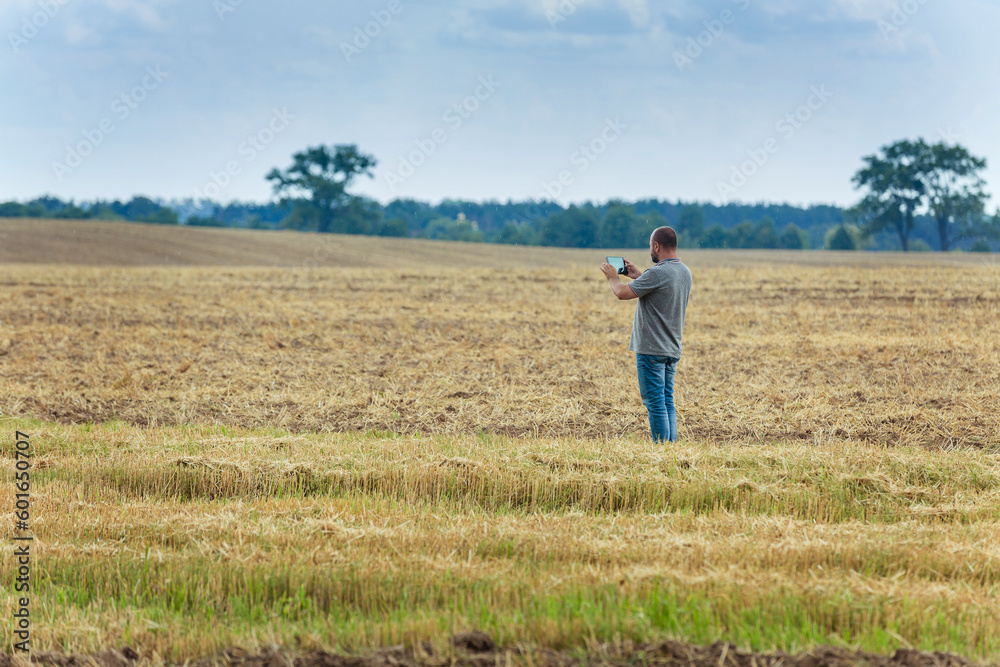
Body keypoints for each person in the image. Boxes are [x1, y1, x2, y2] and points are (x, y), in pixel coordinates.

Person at [600, 226, 692, 443]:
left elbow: (622, 293)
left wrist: (614, 277)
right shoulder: (684, 271)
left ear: (656, 246)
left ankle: (661, 448)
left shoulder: (657, 273)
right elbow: (660, 289)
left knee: (654, 402)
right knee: (667, 400)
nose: (650, 249)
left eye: (651, 246)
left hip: (652, 349)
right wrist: (638, 275)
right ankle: (670, 448)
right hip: (671, 348)